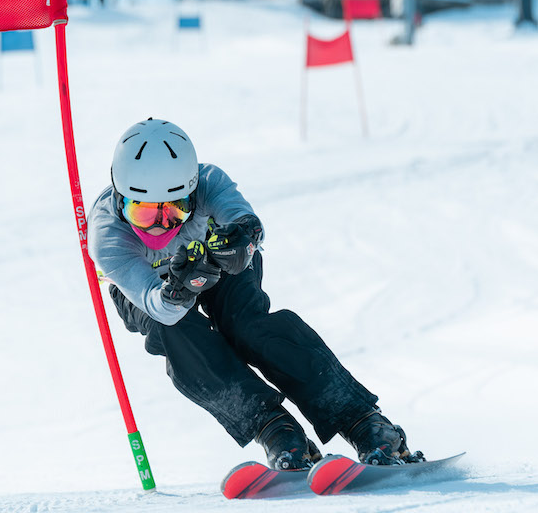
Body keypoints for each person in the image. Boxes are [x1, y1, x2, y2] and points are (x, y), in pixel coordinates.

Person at [89, 118, 422, 472]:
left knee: (247, 326)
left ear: (191, 191)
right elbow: (161, 309)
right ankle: (275, 429)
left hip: (215, 263)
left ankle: (361, 420)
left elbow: (249, 226)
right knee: (175, 336)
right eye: (142, 213)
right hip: (150, 290)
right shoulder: (108, 235)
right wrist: (178, 290)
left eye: (174, 212)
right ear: (119, 198)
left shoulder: (209, 181)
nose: (160, 227)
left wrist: (239, 244)